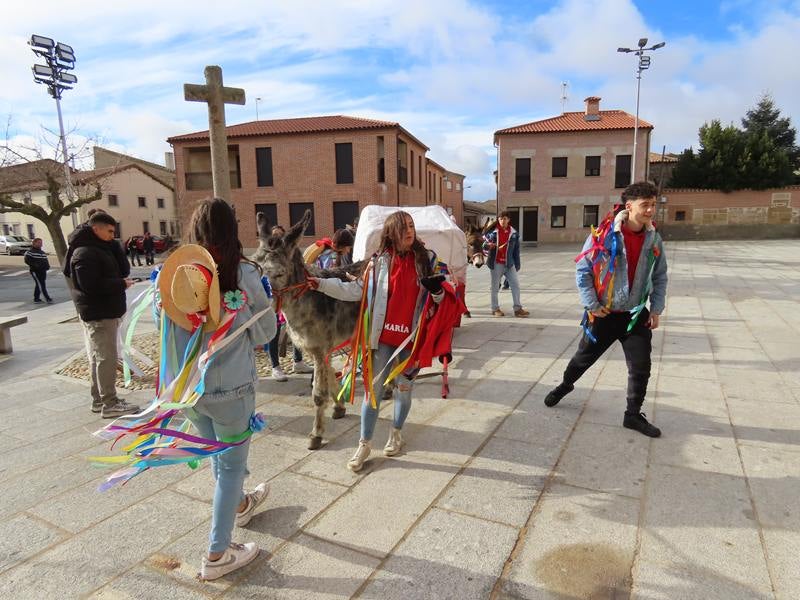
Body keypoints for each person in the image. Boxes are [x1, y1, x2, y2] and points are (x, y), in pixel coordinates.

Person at [166, 198, 277, 580]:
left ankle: (241, 504)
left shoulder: (173, 273)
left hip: (190, 391)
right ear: (232, 230)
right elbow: (266, 332)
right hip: (231, 388)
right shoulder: (243, 272)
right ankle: (217, 554)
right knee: (229, 466)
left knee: (217, 455)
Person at [310, 211, 448, 472]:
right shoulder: (378, 262)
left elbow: (443, 299)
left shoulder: (428, 260)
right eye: (404, 227)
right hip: (381, 339)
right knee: (371, 393)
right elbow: (355, 290)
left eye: (412, 226)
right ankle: (364, 443)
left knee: (404, 392)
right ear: (392, 232)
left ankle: (396, 433)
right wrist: (320, 284)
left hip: (411, 339)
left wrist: (438, 291)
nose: (410, 231)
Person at [543, 181, 668, 438]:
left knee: (641, 366)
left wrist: (655, 308)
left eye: (653, 205)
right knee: (582, 359)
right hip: (604, 314)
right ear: (629, 205)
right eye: (645, 205)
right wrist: (592, 304)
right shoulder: (603, 235)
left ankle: (632, 415)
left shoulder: (654, 237)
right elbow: (583, 270)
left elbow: (660, 275)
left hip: (635, 316)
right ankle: (566, 385)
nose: (650, 211)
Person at [68, 212, 139, 418]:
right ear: (95, 229)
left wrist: (116, 248)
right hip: (99, 313)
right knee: (105, 358)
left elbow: (122, 269)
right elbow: (89, 285)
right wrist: (120, 284)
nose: (112, 235)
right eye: (109, 231)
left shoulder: (102, 248)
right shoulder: (84, 252)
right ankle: (109, 403)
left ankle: (100, 400)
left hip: (106, 310)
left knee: (100, 357)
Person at [263, 225, 312, 378]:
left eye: (280, 234)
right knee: (275, 330)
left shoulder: (293, 253)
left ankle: (298, 361)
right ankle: (275, 367)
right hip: (274, 296)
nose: (277, 237)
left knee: (296, 327)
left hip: (292, 297)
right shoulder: (267, 254)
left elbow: (300, 269)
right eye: (274, 234)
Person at [483, 211, 529, 318]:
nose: (502, 221)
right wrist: (488, 245)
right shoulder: (492, 232)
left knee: (515, 285)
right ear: (498, 220)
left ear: (508, 220)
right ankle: (495, 309)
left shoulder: (514, 233)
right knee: (495, 287)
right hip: (496, 264)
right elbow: (483, 244)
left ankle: (518, 309)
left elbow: (516, 250)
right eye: (500, 219)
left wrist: (517, 264)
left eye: (505, 218)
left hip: (509, 264)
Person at [64, 208, 130, 279]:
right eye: (110, 231)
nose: (112, 235)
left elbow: (67, 269)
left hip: (78, 285)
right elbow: (124, 270)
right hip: (109, 285)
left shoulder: (77, 239)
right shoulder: (111, 243)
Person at [24, 238, 52, 303]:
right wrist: (35, 266)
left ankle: (36, 298)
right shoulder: (30, 252)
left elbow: (45, 261)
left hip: (43, 271)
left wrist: (47, 266)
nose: (41, 244)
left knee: (39, 284)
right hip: (35, 271)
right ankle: (47, 298)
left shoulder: (42, 252)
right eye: (39, 242)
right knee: (41, 285)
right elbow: (27, 260)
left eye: (41, 243)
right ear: (34, 243)